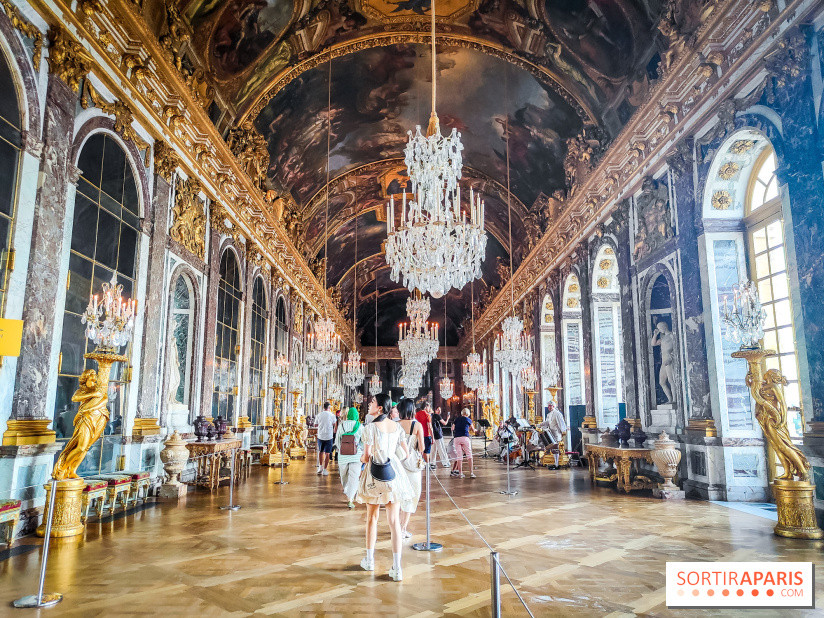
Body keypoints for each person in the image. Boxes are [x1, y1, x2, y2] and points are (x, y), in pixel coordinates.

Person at [356, 393, 414, 582]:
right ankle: (397, 568)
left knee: (372, 518)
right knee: (394, 521)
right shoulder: (397, 427)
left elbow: (366, 457)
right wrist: (392, 458)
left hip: (375, 474)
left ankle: (369, 560)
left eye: (372, 402)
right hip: (392, 473)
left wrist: (362, 458)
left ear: (379, 407)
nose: (369, 404)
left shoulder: (370, 428)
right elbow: (406, 453)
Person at [397, 398, 425, 539]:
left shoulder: (396, 424)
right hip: (412, 464)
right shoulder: (417, 425)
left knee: (399, 495)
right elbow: (422, 447)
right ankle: (403, 529)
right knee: (411, 495)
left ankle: (396, 527)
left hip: (397, 462)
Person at [335, 407, 365, 508]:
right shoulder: (360, 426)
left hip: (343, 455)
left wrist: (341, 449)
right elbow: (363, 442)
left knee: (344, 475)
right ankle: (350, 498)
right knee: (354, 476)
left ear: (348, 415)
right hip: (356, 455)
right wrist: (361, 450)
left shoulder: (341, 425)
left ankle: (347, 491)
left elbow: (337, 441)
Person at [450, 408, 476, 478]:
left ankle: (460, 473)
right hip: (465, 437)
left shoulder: (457, 419)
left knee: (459, 456)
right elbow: (473, 430)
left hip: (457, 438)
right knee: (469, 455)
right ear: (468, 414)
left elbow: (452, 428)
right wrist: (474, 429)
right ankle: (471, 473)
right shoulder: (468, 420)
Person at [541, 401, 567, 469]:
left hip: (556, 433)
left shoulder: (557, 414)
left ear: (553, 406)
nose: (549, 407)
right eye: (548, 406)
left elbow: (560, 423)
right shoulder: (548, 415)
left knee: (555, 448)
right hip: (550, 433)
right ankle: (555, 463)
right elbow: (547, 422)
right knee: (552, 448)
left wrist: (563, 431)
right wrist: (541, 424)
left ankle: (557, 464)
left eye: (550, 406)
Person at [316, 402, 336, 476]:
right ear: (329, 407)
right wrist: (334, 431)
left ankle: (320, 467)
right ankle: (324, 469)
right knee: (327, 453)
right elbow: (335, 425)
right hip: (329, 436)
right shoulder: (332, 415)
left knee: (320, 451)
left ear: (323, 407)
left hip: (320, 435)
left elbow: (315, 424)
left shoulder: (319, 415)